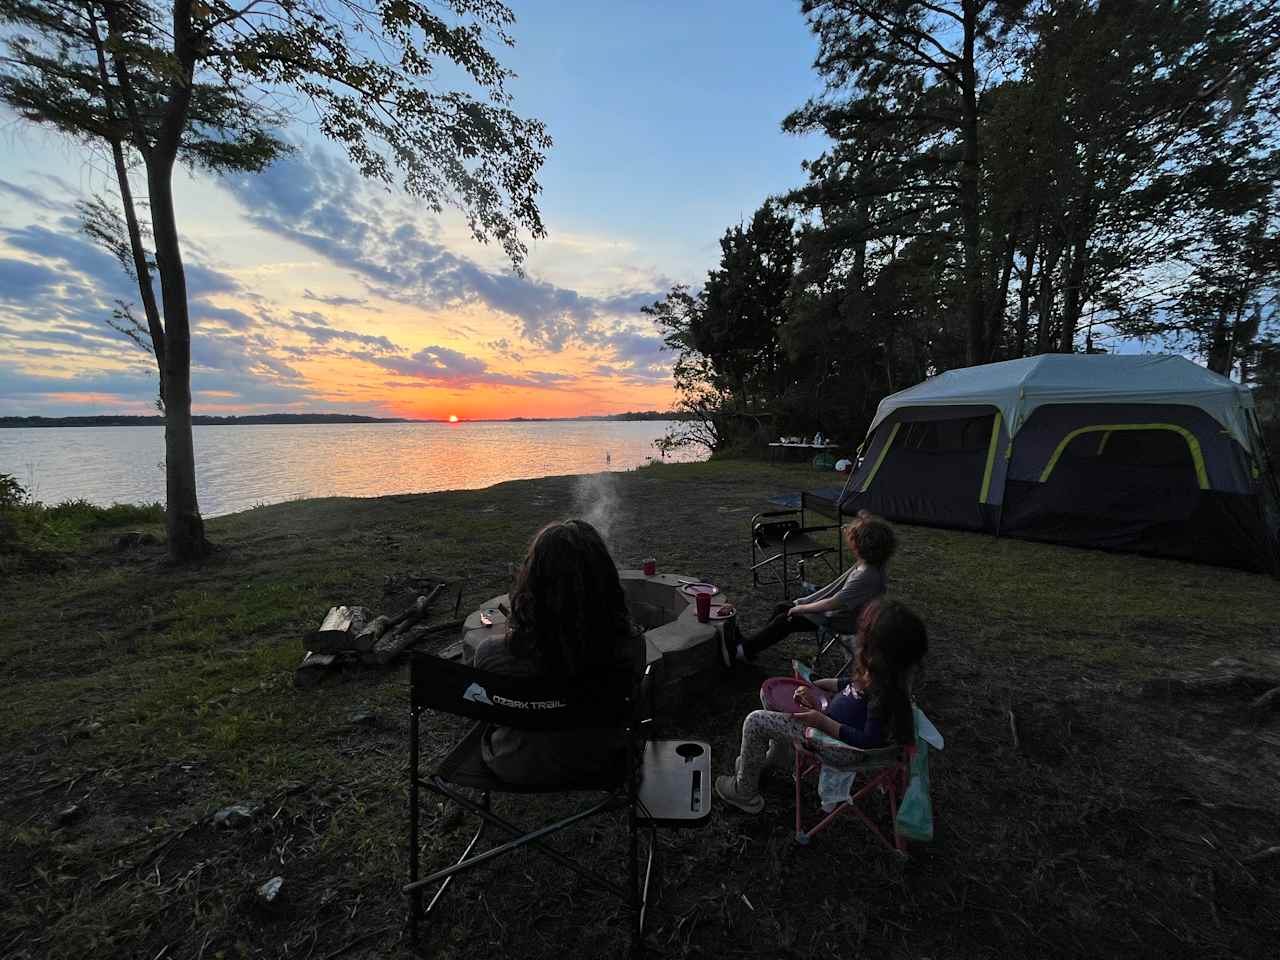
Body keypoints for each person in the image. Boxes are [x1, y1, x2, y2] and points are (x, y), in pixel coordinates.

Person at [473, 519, 645, 786]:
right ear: (605, 582)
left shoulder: (490, 654)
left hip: (515, 763)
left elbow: (487, 714)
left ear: (531, 584)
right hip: (602, 762)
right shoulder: (629, 647)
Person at [715, 599, 927, 814]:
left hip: (837, 746)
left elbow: (868, 742)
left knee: (755, 721)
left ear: (878, 651)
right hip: (827, 720)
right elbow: (855, 686)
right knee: (769, 696)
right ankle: (780, 756)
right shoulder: (884, 674)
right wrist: (822, 685)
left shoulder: (885, 694)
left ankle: (744, 791)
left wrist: (821, 721)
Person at [736, 510, 896, 661]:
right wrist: (864, 521)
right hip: (843, 612)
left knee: (785, 620)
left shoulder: (866, 575)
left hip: (844, 620)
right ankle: (753, 646)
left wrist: (802, 608)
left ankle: (743, 651)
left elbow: (832, 603)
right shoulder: (873, 561)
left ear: (860, 546)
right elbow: (875, 536)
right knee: (781, 608)